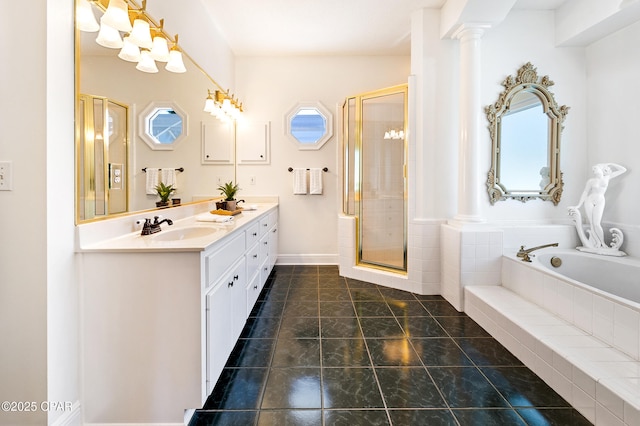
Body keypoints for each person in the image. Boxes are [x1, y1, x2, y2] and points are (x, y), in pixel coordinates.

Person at [571, 163, 626, 247]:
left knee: (597, 224)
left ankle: (602, 243)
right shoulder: (591, 181)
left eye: (595, 168)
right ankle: (596, 243)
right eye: (593, 170)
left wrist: (610, 164)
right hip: (589, 201)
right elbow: (585, 192)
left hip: (600, 200)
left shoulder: (607, 177)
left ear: (601, 169)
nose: (593, 171)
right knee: (592, 224)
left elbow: (623, 170)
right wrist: (579, 205)